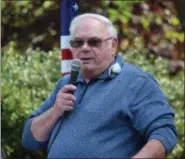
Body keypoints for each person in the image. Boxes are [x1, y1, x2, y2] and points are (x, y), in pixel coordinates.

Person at [22, 13, 177, 158]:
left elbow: (164, 133)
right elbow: (30, 141)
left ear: (113, 45)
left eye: (94, 42)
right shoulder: (66, 83)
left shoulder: (135, 82)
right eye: (78, 42)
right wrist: (55, 111)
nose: (84, 48)